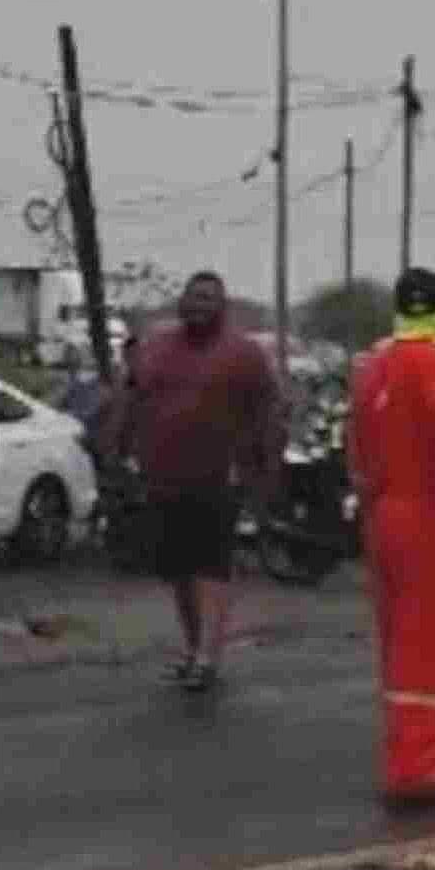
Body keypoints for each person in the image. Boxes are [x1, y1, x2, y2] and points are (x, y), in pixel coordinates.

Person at [111, 271, 282, 693]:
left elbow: (269, 416)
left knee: (212, 567)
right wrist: (118, 452)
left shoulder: (245, 355)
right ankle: (193, 649)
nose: (200, 304)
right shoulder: (155, 348)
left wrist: (265, 473)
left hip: (221, 477)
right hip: (163, 477)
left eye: (209, 298)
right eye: (194, 296)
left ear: (222, 307)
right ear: (182, 302)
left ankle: (208, 656)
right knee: (179, 572)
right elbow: (130, 402)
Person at [349, 269, 435, 812]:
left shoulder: (373, 367)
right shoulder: (432, 362)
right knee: (425, 645)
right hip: (429, 514)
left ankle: (414, 755)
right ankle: (416, 771)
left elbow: (355, 449)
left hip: (383, 515)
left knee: (397, 640)